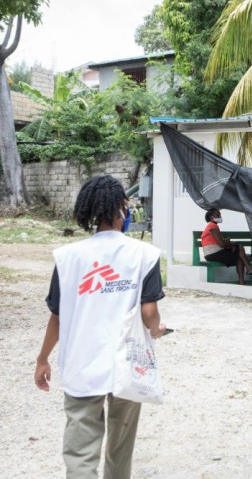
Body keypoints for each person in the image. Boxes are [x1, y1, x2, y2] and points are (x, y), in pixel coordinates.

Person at [34, 175, 167, 478]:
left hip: (82, 364)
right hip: (128, 365)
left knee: (80, 450)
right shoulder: (144, 255)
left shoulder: (67, 257)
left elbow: (57, 316)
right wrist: (157, 329)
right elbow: (149, 312)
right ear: (123, 208)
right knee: (121, 445)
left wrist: (42, 359)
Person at [201, 208, 252, 284]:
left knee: (239, 257)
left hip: (212, 254)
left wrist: (226, 242)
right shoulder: (213, 226)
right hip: (214, 253)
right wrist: (233, 243)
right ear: (212, 217)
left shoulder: (211, 226)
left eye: (220, 214)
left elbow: (219, 242)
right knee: (239, 247)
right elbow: (221, 244)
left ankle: (242, 281)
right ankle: (248, 269)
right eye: (218, 215)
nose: (220, 216)